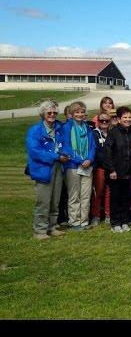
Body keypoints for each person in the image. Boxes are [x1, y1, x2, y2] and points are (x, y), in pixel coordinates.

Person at [26, 99, 68, 239]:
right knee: (43, 201)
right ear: (43, 114)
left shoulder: (59, 128)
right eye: (49, 112)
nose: (52, 114)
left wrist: (65, 154)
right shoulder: (35, 130)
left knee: (55, 200)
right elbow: (35, 151)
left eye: (54, 112)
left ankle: (52, 227)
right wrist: (55, 156)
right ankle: (40, 231)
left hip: (59, 166)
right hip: (43, 168)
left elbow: (64, 145)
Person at [104, 106, 131, 233]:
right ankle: (115, 222)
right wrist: (112, 170)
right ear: (119, 119)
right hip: (116, 172)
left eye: (129, 117)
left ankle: (125, 221)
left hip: (130, 172)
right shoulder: (113, 132)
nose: (127, 119)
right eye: (124, 117)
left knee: (127, 198)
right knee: (116, 198)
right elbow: (108, 152)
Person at [61, 101, 96, 231]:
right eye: (77, 112)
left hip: (87, 166)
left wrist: (89, 159)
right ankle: (74, 221)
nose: (80, 114)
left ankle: (84, 221)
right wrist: (78, 160)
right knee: (74, 195)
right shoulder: (66, 127)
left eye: (82, 112)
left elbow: (92, 146)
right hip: (72, 166)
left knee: (86, 195)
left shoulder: (87, 127)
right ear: (71, 113)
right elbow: (66, 147)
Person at [90, 112, 111, 226]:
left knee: (109, 192)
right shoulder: (94, 134)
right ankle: (96, 215)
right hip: (100, 168)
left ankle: (108, 215)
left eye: (106, 120)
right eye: (101, 120)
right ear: (97, 121)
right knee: (98, 192)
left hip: (111, 168)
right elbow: (96, 151)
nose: (104, 123)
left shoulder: (111, 133)